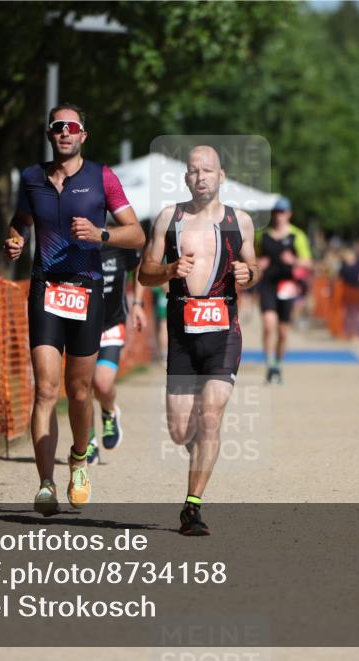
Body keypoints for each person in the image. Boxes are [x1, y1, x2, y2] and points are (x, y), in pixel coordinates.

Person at [4, 103, 145, 516]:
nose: (64, 133)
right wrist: (13, 240)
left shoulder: (103, 177)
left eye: (72, 127)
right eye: (57, 127)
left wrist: (102, 233)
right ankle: (46, 484)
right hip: (46, 288)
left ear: (84, 135)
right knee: (46, 389)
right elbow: (20, 222)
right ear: (50, 135)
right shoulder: (31, 178)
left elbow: (136, 234)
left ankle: (79, 461)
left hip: (87, 291)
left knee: (79, 391)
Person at [137, 145, 259, 536]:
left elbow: (252, 266)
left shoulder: (239, 221)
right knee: (179, 430)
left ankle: (192, 507)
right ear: (186, 178)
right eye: (194, 171)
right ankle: (199, 453)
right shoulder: (169, 219)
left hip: (224, 328)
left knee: (211, 417)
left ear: (221, 175)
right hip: (182, 330)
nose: (201, 176)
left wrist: (248, 275)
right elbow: (145, 273)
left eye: (208, 170)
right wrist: (169, 269)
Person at [85, 223, 149, 464]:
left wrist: (137, 305)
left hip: (112, 323)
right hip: (80, 324)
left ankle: (109, 411)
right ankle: (88, 440)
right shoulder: (76, 240)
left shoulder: (120, 244)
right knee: (82, 388)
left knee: (101, 384)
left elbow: (141, 266)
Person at [255, 197, 312, 384]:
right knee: (268, 325)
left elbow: (308, 262)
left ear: (289, 214)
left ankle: (278, 365)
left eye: (283, 212)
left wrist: (294, 261)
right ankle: (269, 365)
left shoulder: (298, 236)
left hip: (287, 285)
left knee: (283, 331)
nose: (279, 216)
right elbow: (251, 259)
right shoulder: (262, 235)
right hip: (268, 285)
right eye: (276, 212)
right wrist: (257, 265)